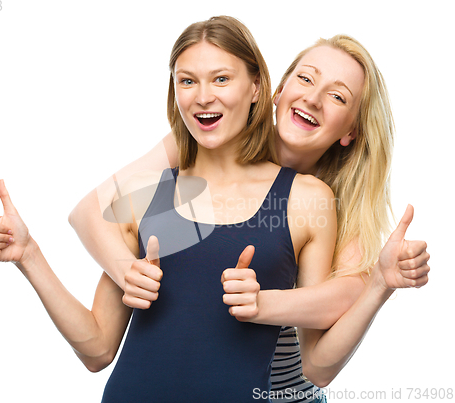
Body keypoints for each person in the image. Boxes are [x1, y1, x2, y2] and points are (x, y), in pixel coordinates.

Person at [0, 16, 342, 402]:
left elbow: (315, 360)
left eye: (221, 79)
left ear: (255, 88)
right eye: (187, 81)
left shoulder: (305, 199)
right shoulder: (148, 195)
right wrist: (29, 256)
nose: (202, 96)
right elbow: (97, 348)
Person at [64, 21, 429, 403]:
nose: (313, 99)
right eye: (305, 79)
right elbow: (91, 213)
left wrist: (265, 302)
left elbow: (341, 310)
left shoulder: (331, 203)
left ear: (351, 130)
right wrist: (128, 272)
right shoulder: (205, 142)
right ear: (277, 90)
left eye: (337, 97)